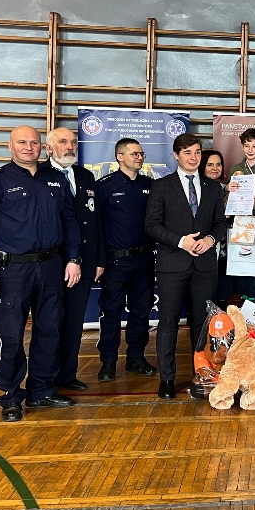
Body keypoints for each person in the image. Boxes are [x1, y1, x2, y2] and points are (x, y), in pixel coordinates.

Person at [0, 125, 82, 421]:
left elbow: (69, 221)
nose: (29, 147)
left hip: (51, 266)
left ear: (43, 147)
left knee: (49, 330)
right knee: (10, 334)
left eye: (34, 142)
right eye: (22, 142)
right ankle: (10, 396)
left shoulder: (56, 179)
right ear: (10, 146)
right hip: (11, 270)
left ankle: (41, 390)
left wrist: (73, 258)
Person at [145, 133, 227, 399]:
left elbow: (220, 224)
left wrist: (210, 240)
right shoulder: (161, 186)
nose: (193, 158)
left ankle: (201, 374)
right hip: (172, 264)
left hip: (205, 266)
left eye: (197, 152)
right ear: (176, 155)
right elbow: (151, 225)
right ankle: (167, 379)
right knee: (168, 322)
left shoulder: (213, 188)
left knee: (203, 324)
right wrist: (181, 241)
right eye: (187, 153)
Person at [42, 127, 104, 392]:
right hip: (52, 263)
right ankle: (45, 379)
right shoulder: (39, 175)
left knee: (75, 322)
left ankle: (67, 375)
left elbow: (96, 220)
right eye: (63, 142)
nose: (70, 146)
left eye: (73, 142)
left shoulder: (85, 175)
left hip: (85, 261)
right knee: (50, 323)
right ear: (48, 148)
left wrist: (99, 259)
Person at [95, 137, 157, 381]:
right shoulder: (104, 186)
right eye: (134, 154)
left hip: (144, 259)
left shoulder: (150, 185)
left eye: (141, 154)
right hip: (115, 262)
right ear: (119, 157)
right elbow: (95, 226)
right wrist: (99, 260)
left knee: (141, 312)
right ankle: (108, 362)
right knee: (111, 313)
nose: (139, 157)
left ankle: (136, 358)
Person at [225, 128, 255, 303]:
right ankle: (242, 294)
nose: (250, 150)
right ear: (241, 147)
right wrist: (228, 189)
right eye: (247, 145)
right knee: (242, 254)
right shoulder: (236, 169)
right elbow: (228, 196)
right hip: (241, 219)